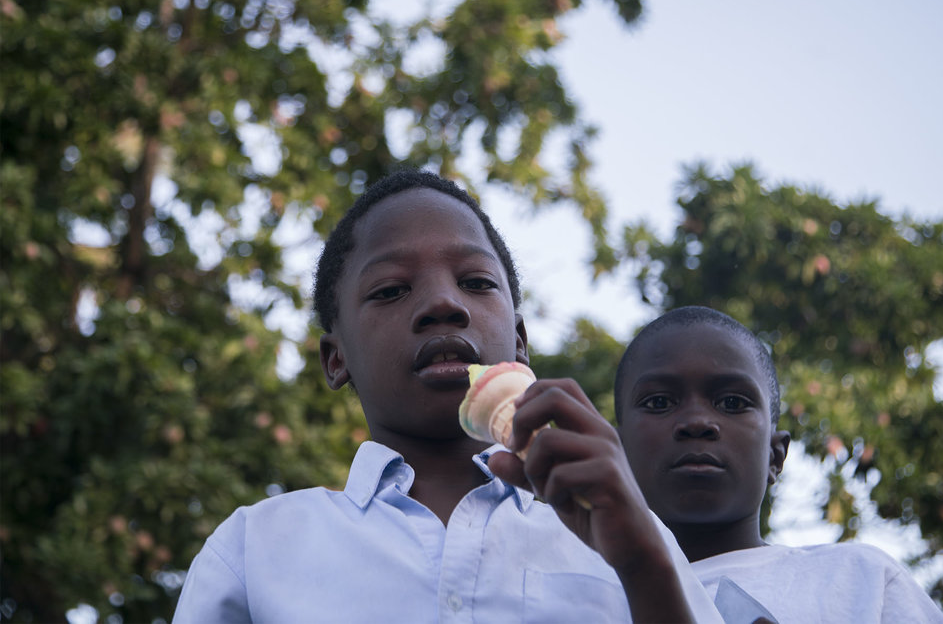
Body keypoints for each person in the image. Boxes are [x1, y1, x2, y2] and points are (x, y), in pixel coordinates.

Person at [173, 169, 721, 622]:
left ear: (521, 341)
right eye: (391, 290)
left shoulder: (631, 537)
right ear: (336, 359)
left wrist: (644, 565)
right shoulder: (256, 546)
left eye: (477, 282)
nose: (442, 303)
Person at [614, 305, 943, 623]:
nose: (697, 421)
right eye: (659, 402)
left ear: (775, 456)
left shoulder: (862, 581)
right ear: (616, 450)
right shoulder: (578, 593)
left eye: (732, 402)